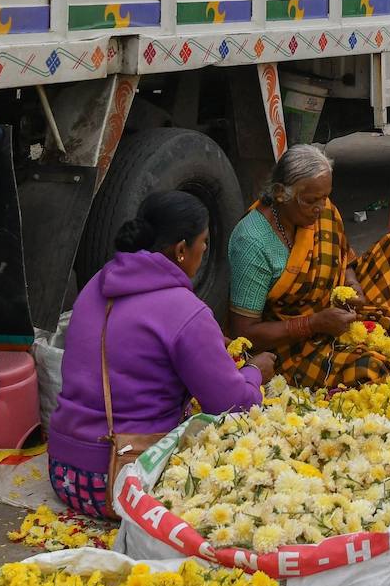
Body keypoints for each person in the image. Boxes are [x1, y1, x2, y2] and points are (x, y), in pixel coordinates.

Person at [49, 191, 275, 518]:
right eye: (205, 242)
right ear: (182, 250)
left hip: (65, 472)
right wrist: (255, 370)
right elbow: (234, 406)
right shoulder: (186, 311)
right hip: (121, 480)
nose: (205, 251)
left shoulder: (98, 282)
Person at [228, 144, 390, 388]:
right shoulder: (252, 240)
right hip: (290, 345)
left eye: (325, 197)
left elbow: (343, 259)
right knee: (372, 371)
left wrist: (352, 284)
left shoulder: (322, 211)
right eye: (311, 200)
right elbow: (246, 334)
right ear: (280, 193)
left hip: (334, 315)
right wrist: (313, 323)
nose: (321, 208)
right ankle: (383, 360)